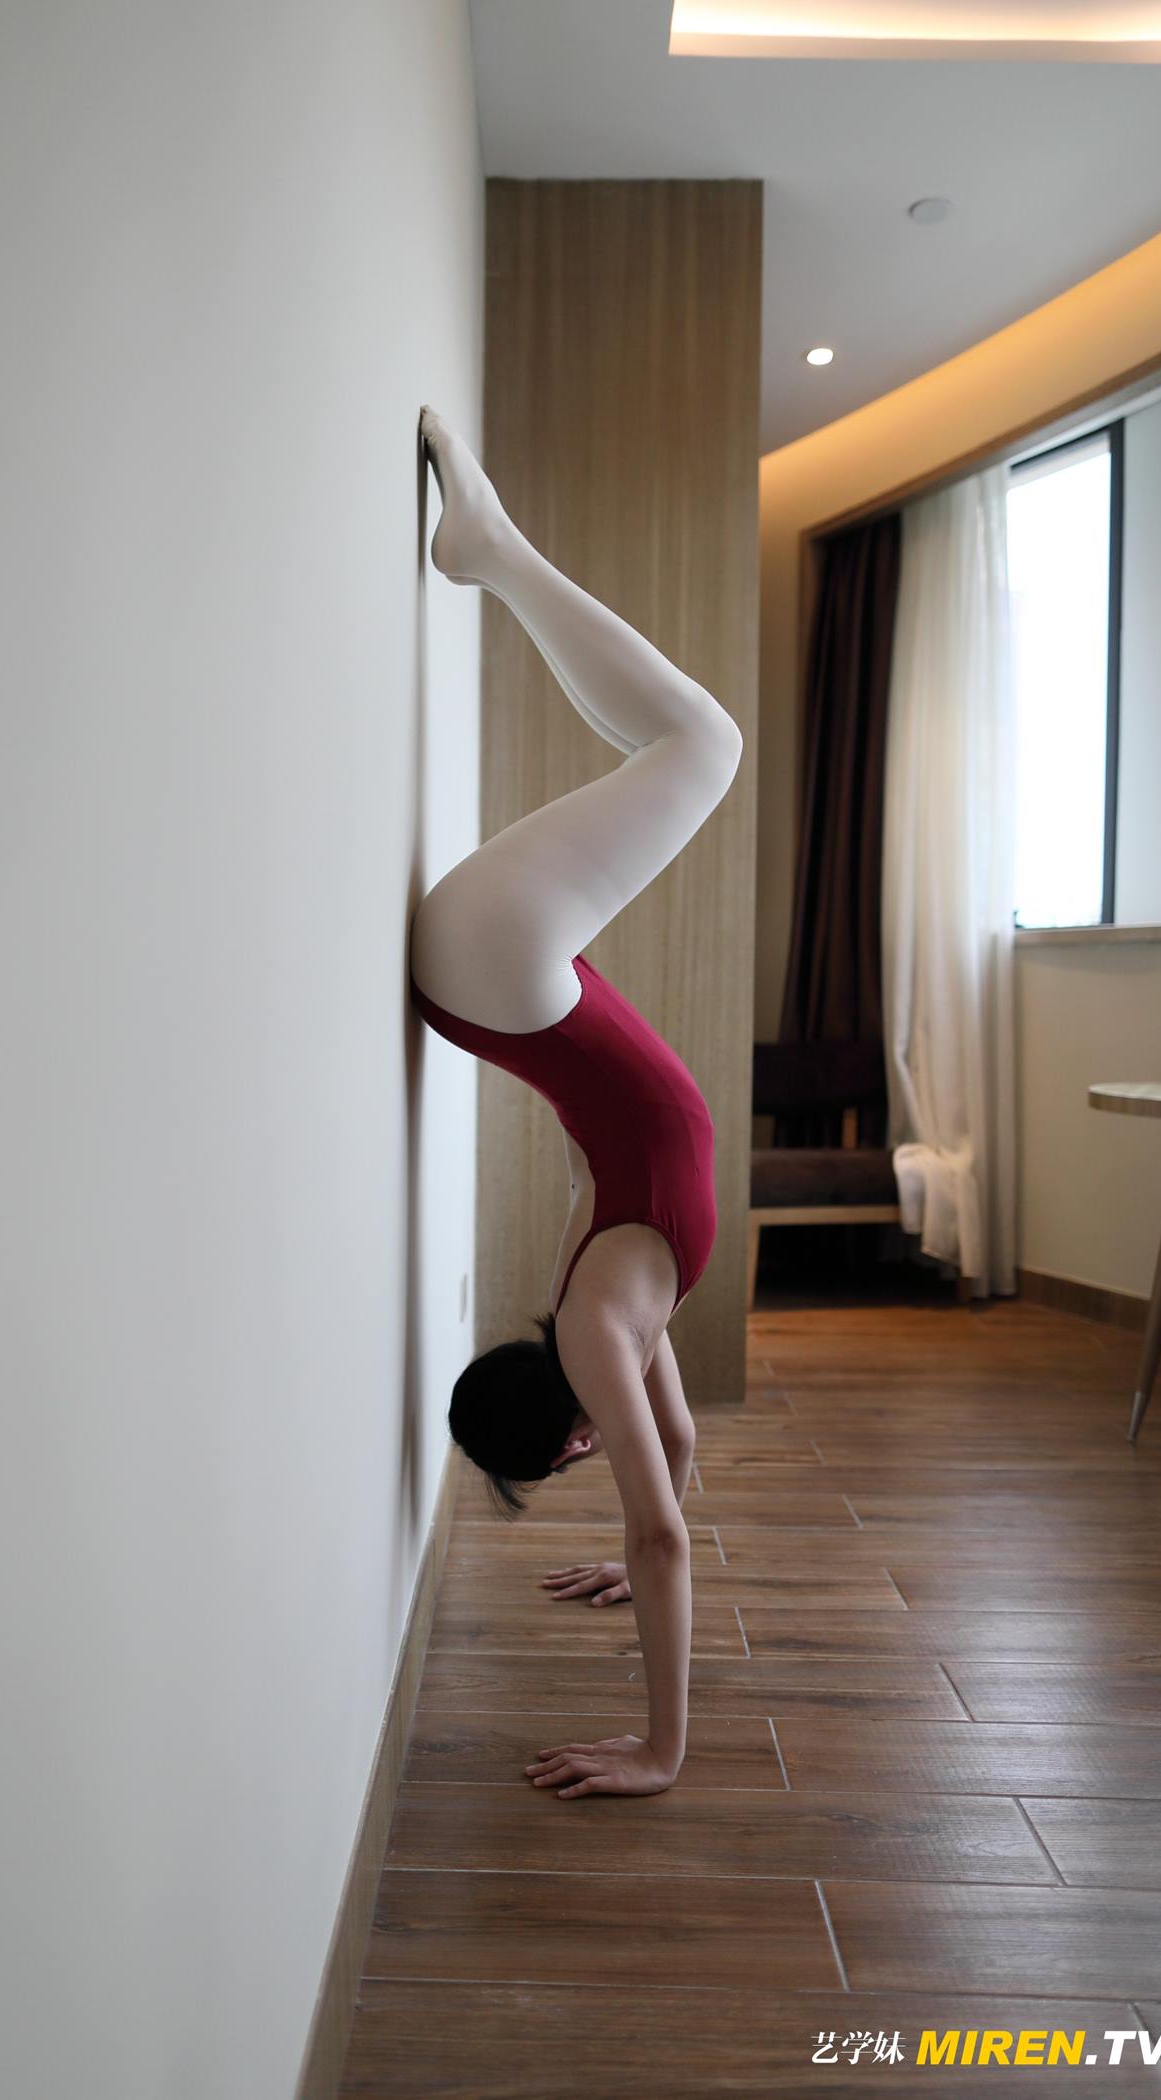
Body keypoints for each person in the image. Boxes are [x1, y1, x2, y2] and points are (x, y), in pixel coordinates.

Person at [411, 406, 742, 1800]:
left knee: (701, 741)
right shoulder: (610, 1322)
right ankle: (492, 553)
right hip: (512, 979)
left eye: (566, 1462)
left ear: (567, 1427)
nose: (595, 1456)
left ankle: (492, 550)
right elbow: (676, 1456)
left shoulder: (605, 1321)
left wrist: (660, 1750)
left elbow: (666, 1527)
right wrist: (629, 1540)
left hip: (505, 965)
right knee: (684, 741)